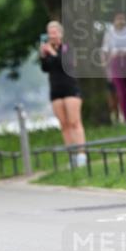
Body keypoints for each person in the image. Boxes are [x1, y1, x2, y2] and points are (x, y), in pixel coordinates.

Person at [39, 21, 87, 166]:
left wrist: (52, 52)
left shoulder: (67, 47)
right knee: (64, 125)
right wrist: (43, 55)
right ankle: (71, 156)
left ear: (60, 33)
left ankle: (81, 155)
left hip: (70, 88)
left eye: (54, 32)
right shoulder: (47, 50)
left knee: (74, 122)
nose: (52, 35)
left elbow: (65, 63)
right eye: (50, 32)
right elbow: (46, 68)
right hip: (55, 90)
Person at [100, 12, 126, 122]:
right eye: (118, 18)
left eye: (123, 18)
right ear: (114, 20)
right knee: (121, 91)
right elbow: (104, 50)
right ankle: (124, 119)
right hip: (116, 62)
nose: (121, 20)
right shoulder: (109, 33)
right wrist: (104, 64)